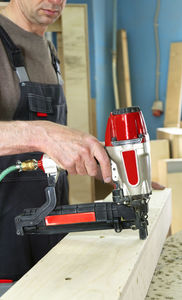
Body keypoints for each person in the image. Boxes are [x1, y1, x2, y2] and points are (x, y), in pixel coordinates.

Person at [0, 0, 112, 281]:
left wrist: (120, 170)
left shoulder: (48, 49)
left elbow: (57, 150)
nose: (54, 1)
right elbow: (46, 136)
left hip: (48, 231)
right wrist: (42, 134)